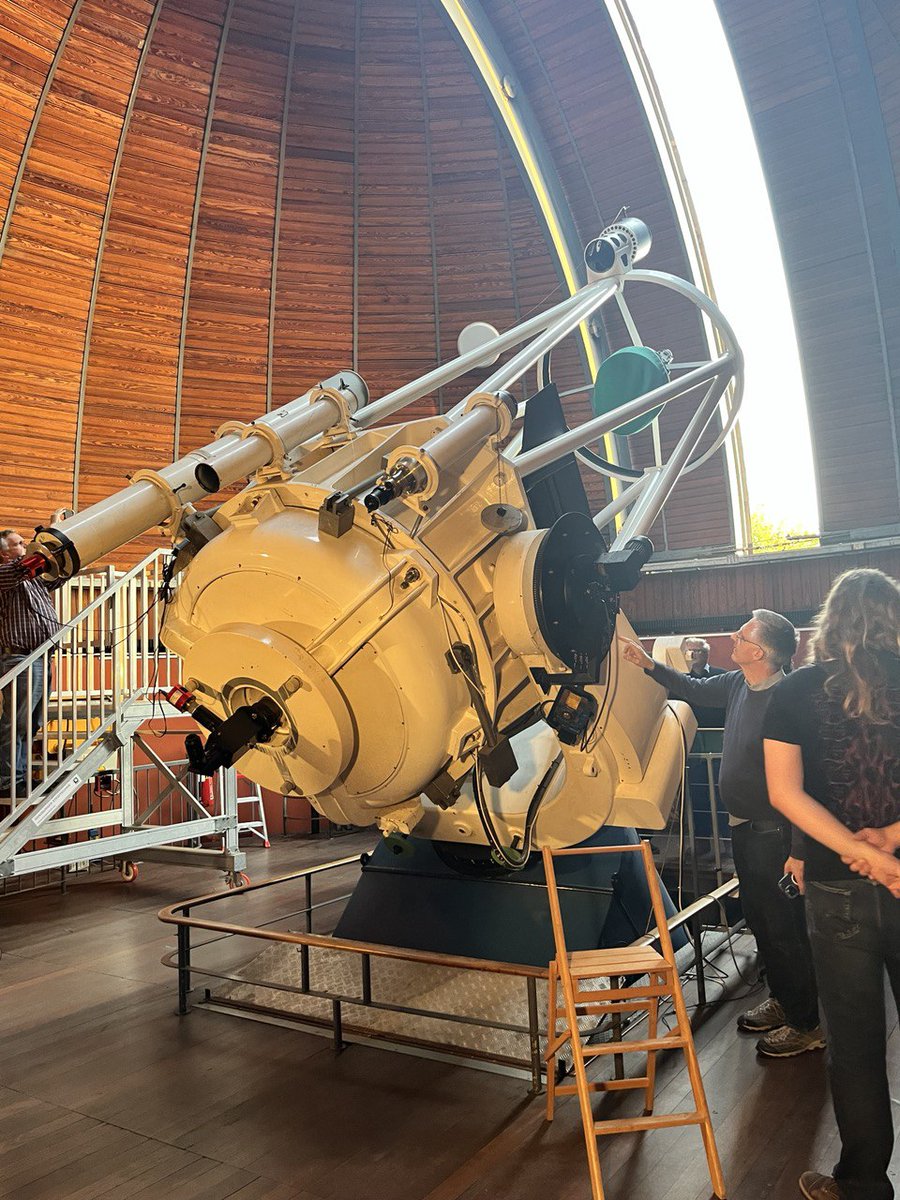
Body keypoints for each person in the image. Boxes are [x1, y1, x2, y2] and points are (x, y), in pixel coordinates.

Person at [620, 610, 824, 1058]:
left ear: (759, 651)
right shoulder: (736, 685)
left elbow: (807, 785)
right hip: (745, 831)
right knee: (762, 923)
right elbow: (693, 688)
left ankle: (807, 1023)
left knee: (785, 929)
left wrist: (799, 850)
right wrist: (648, 664)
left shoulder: (788, 699)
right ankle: (785, 1000)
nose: (733, 636)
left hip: (776, 835)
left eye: (743, 633)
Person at [763, 569, 900, 1200]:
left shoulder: (792, 692)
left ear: (831, 617)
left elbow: (783, 793)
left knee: (854, 1041)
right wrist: (889, 842)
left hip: (835, 885)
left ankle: (865, 1184)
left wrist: (853, 850)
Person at [0, 527, 61, 799]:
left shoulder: (31, 578)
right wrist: (44, 539)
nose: (25, 546)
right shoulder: (5, 574)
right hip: (20, 656)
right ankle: (9, 780)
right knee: (16, 722)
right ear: (4, 553)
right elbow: (24, 567)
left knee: (31, 722)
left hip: (40, 656)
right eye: (18, 544)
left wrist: (56, 533)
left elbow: (58, 575)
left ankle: (19, 777)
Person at [678, 636, 726, 730]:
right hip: (687, 731)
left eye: (697, 651)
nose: (692, 654)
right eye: (689, 651)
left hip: (717, 729)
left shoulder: (722, 675)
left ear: (706, 654)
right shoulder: (679, 677)